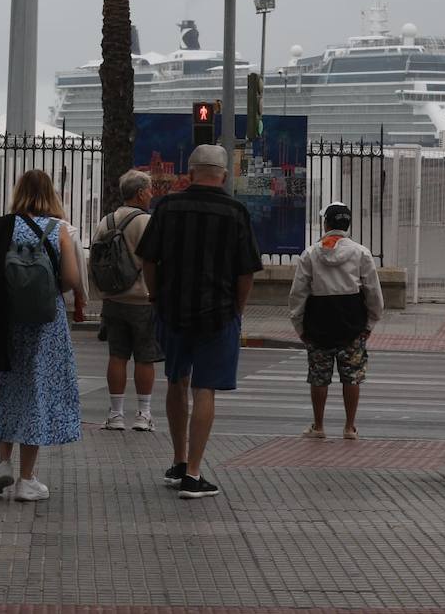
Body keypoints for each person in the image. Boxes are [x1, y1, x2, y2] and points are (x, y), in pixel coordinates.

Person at [136, 145, 262, 500]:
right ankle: (194, 472)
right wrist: (237, 308)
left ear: (189, 173)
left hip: (172, 309)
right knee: (204, 388)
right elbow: (246, 271)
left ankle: (177, 460)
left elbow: (148, 258)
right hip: (218, 313)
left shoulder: (168, 207)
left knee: (176, 379)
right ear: (223, 174)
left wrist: (156, 295)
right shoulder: (236, 212)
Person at [0, 169, 84, 502]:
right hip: (46, 325)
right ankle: (27, 479)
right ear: (51, 194)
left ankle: (3, 462)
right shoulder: (58, 229)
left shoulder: (1, 227)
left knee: (10, 389)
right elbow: (71, 279)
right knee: (37, 393)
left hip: (8, 324)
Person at [289, 202, 385, 440]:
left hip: (318, 325)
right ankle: (349, 427)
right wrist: (369, 325)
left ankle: (319, 426)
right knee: (351, 377)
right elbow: (374, 293)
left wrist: (300, 327)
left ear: (327, 224)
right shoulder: (361, 252)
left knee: (319, 376)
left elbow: (298, 294)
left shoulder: (310, 254)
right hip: (352, 326)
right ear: (347, 224)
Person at [92, 169, 160, 432]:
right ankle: (143, 414)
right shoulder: (147, 222)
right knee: (145, 358)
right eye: (150, 190)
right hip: (142, 299)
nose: (152, 195)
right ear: (140, 192)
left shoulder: (106, 221)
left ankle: (116, 414)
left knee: (117, 356)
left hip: (113, 299)